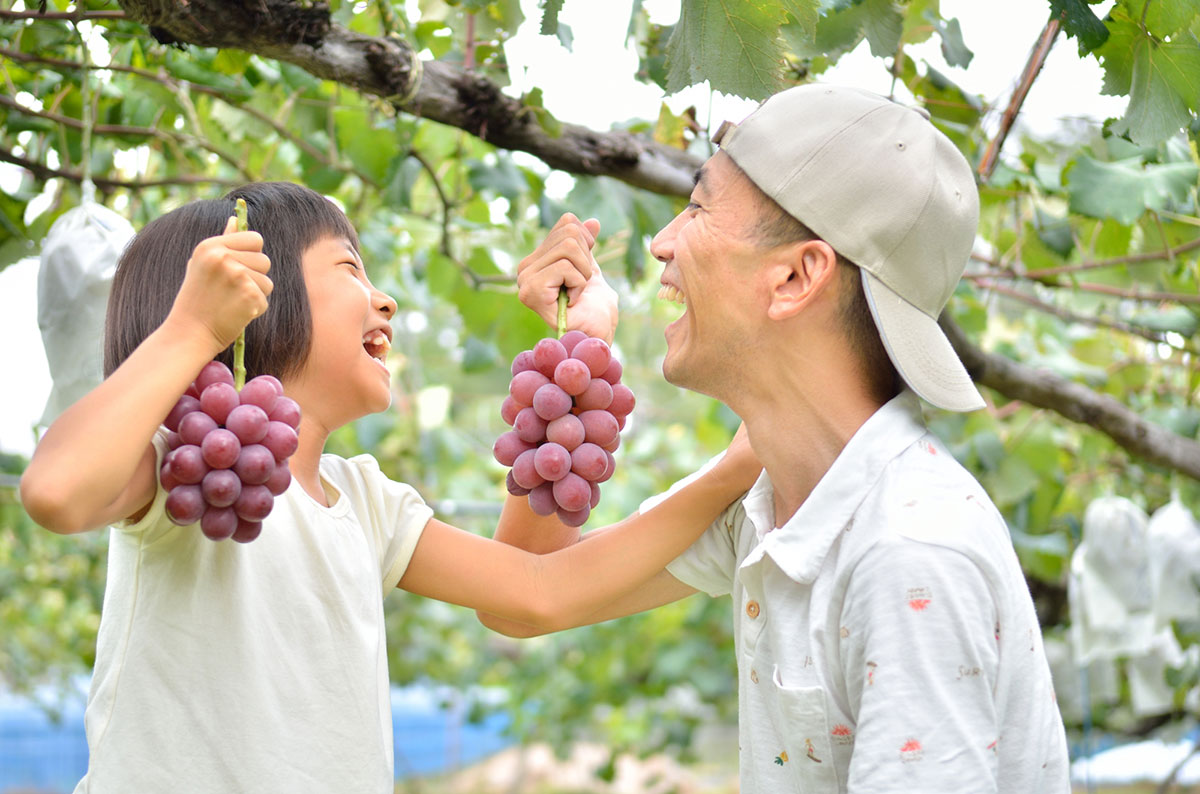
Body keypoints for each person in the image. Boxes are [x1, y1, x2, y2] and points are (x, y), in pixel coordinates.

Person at [18, 181, 759, 793]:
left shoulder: (365, 502)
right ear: (250, 296)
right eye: (349, 270)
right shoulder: (185, 468)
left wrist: (584, 344)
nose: (385, 301)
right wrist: (190, 332)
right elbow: (57, 492)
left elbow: (537, 591)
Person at [487, 84, 1071, 792]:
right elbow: (524, 596)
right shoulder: (769, 502)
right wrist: (579, 359)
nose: (661, 241)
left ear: (796, 276)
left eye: (698, 207)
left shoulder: (907, 551)